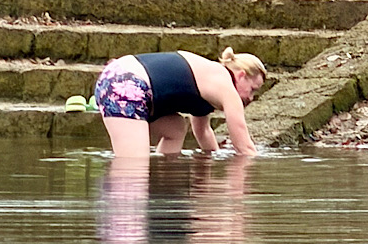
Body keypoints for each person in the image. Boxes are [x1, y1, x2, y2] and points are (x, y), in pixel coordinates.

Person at [92, 48, 265, 161]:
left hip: (120, 75)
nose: (250, 97)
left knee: (175, 129)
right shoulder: (226, 86)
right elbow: (243, 145)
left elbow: (203, 133)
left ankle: (164, 179)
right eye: (252, 89)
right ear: (241, 75)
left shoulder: (210, 81)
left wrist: (212, 159)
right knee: (134, 165)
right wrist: (254, 167)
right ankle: (124, 211)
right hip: (126, 84)